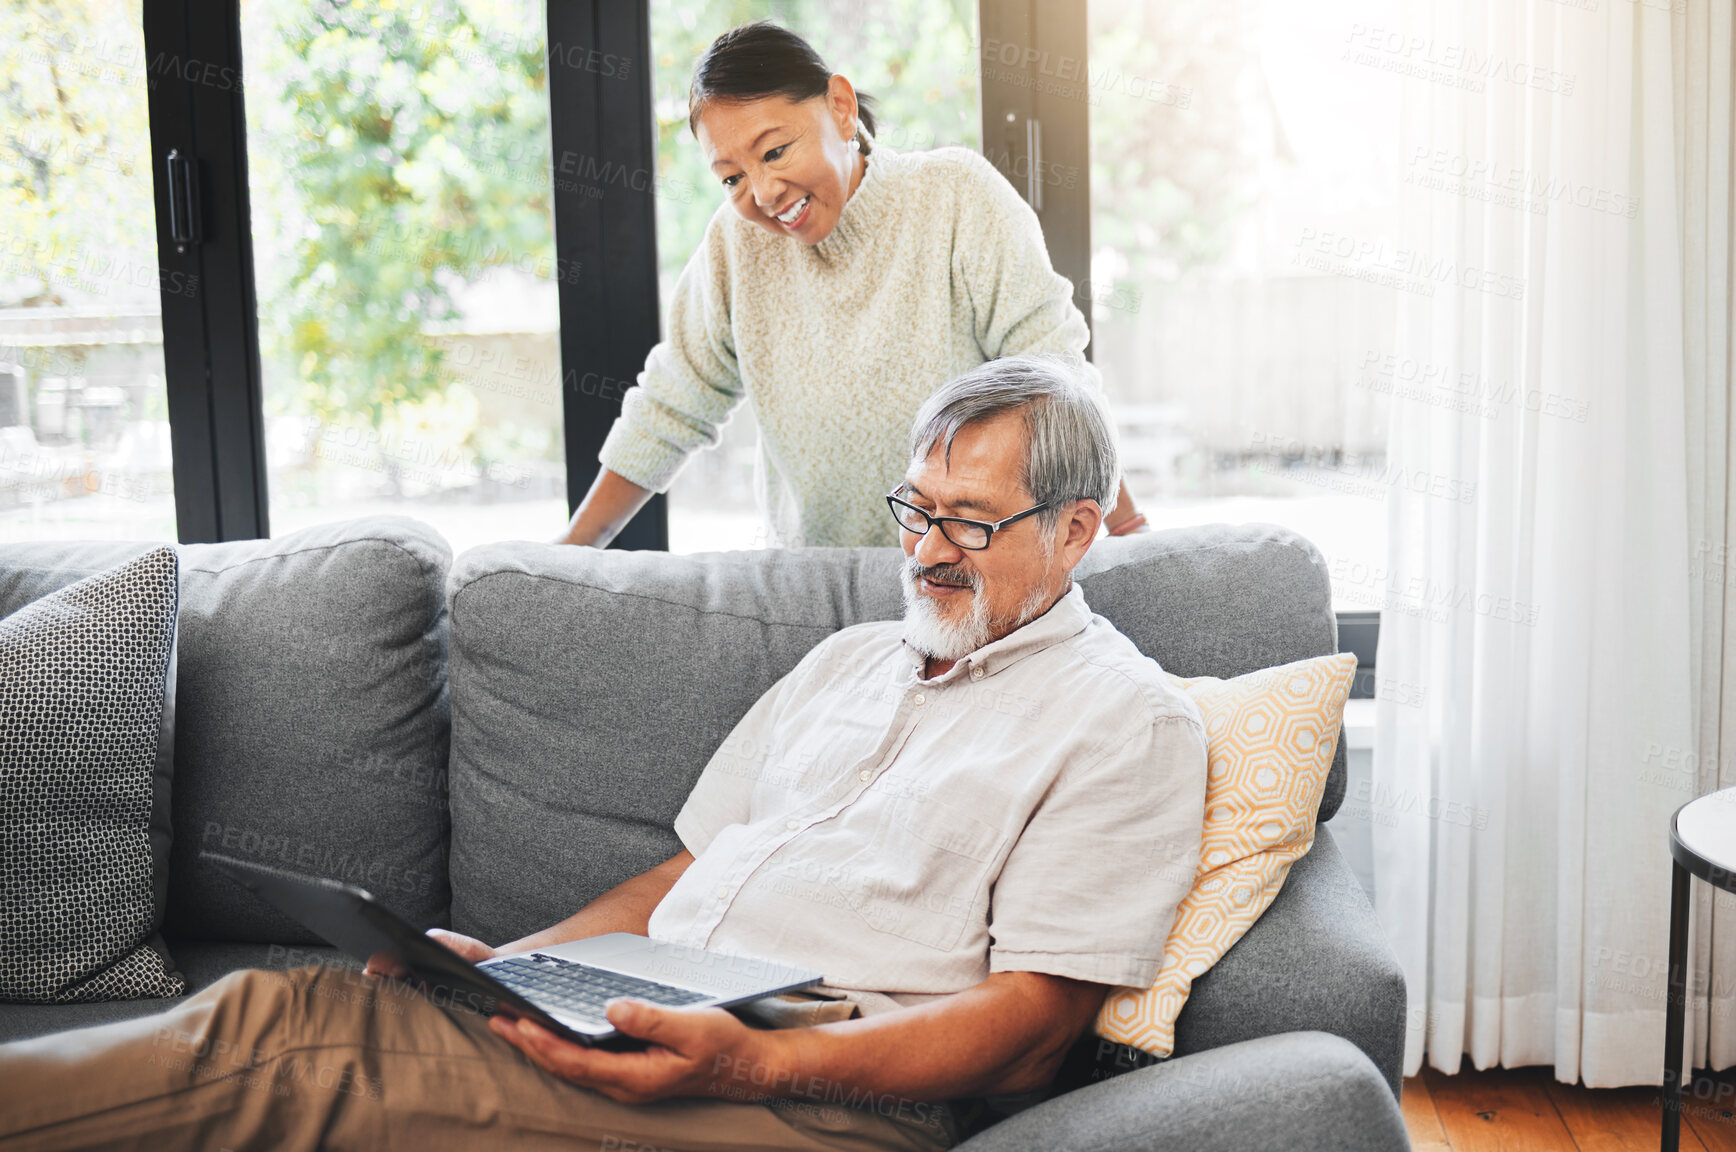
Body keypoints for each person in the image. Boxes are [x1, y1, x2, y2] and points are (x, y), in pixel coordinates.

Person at [1, 356, 1204, 1152]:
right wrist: (510, 967)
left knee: (289, 1048)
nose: (927, 549)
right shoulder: (848, 661)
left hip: (831, 1093)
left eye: (969, 521)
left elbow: (1037, 1025)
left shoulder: (1124, 720)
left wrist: (751, 1070)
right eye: (914, 508)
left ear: (1076, 529)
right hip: (667, 1016)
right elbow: (681, 874)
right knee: (310, 1005)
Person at [559, 21, 1150, 549]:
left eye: (775, 150)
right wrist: (571, 554)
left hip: (970, 564)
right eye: (732, 176)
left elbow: (1056, 381)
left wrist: (1125, 529)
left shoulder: (954, 195)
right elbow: (669, 406)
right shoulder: (735, 244)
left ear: (840, 107)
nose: (762, 193)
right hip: (812, 583)